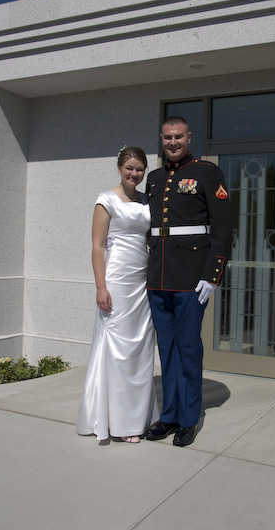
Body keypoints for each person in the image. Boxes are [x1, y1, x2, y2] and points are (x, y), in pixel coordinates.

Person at [145, 116, 233, 447]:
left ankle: (188, 419)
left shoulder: (207, 172)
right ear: (161, 138)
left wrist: (212, 275)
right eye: (168, 137)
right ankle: (169, 415)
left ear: (189, 137)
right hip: (158, 277)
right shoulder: (154, 178)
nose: (173, 142)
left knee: (188, 348)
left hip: (191, 279)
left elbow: (222, 228)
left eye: (178, 137)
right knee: (167, 350)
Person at [77, 147, 159, 443]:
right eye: (129, 168)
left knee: (140, 350)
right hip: (116, 282)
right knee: (119, 350)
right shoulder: (106, 200)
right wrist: (101, 286)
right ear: (119, 168)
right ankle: (118, 423)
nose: (134, 174)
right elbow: (97, 246)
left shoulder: (146, 201)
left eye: (139, 169)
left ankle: (136, 417)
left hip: (142, 281)